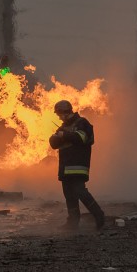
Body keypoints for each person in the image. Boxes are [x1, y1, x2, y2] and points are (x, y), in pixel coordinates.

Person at [49, 99, 106, 230]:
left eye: (59, 114)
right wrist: (58, 136)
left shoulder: (82, 122)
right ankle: (72, 223)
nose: (59, 117)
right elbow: (53, 143)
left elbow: (82, 137)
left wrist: (64, 135)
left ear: (65, 112)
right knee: (69, 195)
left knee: (81, 192)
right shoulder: (62, 127)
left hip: (78, 166)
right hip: (65, 168)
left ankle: (99, 216)